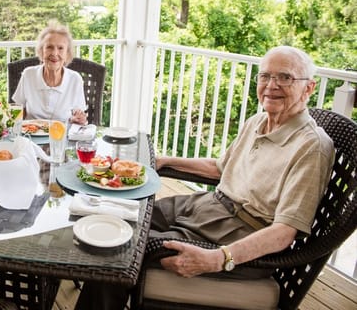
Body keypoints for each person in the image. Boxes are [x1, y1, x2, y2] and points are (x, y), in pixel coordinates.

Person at [75, 46, 335, 310]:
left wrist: (217, 259)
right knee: (117, 215)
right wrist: (166, 161)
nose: (271, 85)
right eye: (265, 76)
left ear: (309, 88)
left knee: (116, 249)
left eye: (285, 77)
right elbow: (220, 168)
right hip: (206, 205)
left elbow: (284, 233)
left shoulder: (311, 146)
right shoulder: (258, 121)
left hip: (238, 232)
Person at [12, 20, 88, 125]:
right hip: (30, 136)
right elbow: (18, 111)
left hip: (61, 137)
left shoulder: (75, 79)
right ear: (41, 51)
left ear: (67, 54)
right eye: (49, 47)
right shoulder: (28, 75)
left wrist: (79, 119)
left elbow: (78, 116)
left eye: (60, 48)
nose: (54, 53)